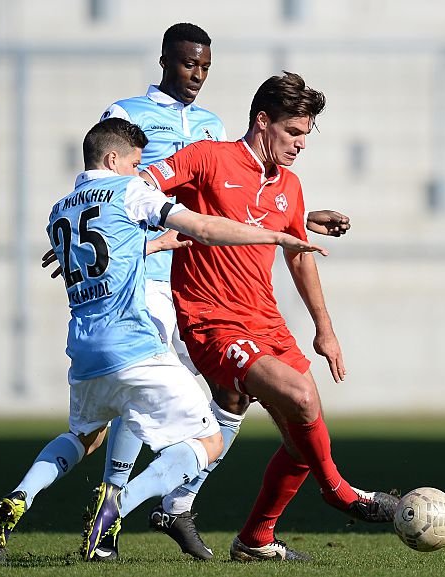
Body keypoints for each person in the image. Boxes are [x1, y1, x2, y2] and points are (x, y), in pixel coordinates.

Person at [0, 118, 327, 561]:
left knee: (83, 438)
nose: (138, 171)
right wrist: (277, 235)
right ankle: (117, 506)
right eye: (133, 163)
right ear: (112, 160)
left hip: (85, 354)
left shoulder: (60, 210)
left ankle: (20, 496)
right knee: (210, 441)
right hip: (135, 347)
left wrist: (158, 245)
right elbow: (204, 227)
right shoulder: (128, 191)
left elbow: (114, 255)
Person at [77, 23, 350, 561]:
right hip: (147, 279)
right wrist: (87, 233)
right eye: (187, 65)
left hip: (203, 274)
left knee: (231, 399)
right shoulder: (125, 113)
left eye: (204, 67)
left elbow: (234, 199)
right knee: (137, 401)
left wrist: (301, 218)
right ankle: (108, 517)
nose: (197, 75)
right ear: (163, 60)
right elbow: (108, 176)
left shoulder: (211, 127)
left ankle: (178, 503)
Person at [140, 71, 397, 562]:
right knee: (299, 396)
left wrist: (325, 328)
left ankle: (256, 539)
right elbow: (141, 186)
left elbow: (299, 254)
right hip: (211, 320)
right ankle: (341, 492)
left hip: (267, 322)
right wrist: (96, 219)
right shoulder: (207, 157)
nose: (301, 144)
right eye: (294, 132)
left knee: (303, 435)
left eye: (305, 134)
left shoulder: (290, 185)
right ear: (263, 122)